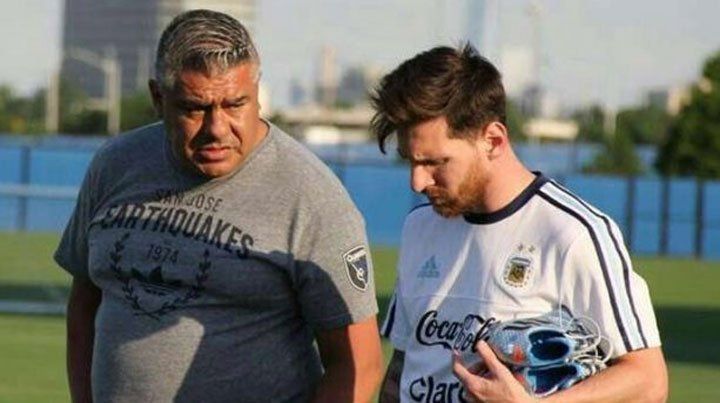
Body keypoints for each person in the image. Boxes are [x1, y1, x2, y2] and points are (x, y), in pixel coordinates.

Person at [55, 9, 382, 402]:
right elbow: (84, 307)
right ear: (158, 98)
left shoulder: (311, 194)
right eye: (195, 108)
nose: (217, 128)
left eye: (235, 104)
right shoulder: (116, 164)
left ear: (256, 92)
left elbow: (359, 365)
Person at [370, 43, 668, 403]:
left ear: (493, 140)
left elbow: (648, 381)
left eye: (435, 162)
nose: (417, 182)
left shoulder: (573, 233)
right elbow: (403, 367)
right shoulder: (419, 226)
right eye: (411, 161)